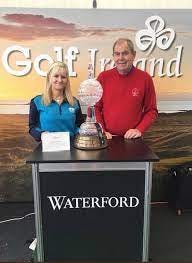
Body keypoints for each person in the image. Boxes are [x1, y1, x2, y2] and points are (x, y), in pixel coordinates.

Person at [95, 38, 158, 139]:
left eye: (125, 53)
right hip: (107, 138)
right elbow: (96, 108)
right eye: (117, 54)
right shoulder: (103, 77)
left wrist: (139, 129)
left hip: (133, 139)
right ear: (113, 56)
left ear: (133, 55)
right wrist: (101, 130)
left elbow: (151, 111)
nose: (121, 58)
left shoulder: (145, 78)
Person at [29, 61, 84, 141]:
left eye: (63, 77)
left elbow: (80, 126)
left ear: (67, 80)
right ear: (49, 78)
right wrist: (41, 135)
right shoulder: (37, 101)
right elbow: (32, 127)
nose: (60, 80)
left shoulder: (74, 102)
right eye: (56, 76)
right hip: (48, 147)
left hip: (72, 148)